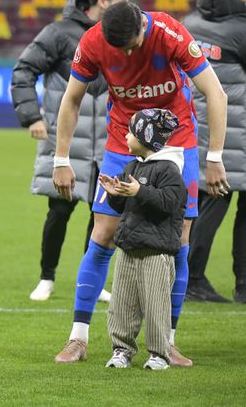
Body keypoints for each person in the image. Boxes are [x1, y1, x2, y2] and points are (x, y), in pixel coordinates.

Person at [52, 0, 229, 366]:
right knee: (103, 233)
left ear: (143, 28)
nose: (129, 53)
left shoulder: (170, 32)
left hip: (176, 142)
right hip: (123, 141)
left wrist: (214, 157)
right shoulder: (93, 42)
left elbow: (216, 93)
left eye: (133, 44)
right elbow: (71, 100)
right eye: (122, 49)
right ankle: (78, 338)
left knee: (179, 236)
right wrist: (61, 159)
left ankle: (167, 341)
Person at [11, 0, 130, 301]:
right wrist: (33, 117)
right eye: (122, 0)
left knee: (102, 214)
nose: (128, 7)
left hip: (110, 144)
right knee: (59, 212)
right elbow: (23, 70)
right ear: (102, 2)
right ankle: (46, 277)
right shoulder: (58, 33)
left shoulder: (122, 34)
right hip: (68, 142)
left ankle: (91, 280)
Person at [101, 109, 186, 370]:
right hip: (128, 248)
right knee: (121, 304)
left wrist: (140, 190)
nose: (126, 136)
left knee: (156, 305)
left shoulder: (170, 169)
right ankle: (121, 350)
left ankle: (159, 354)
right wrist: (116, 194)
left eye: (131, 132)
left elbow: (170, 203)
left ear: (146, 137)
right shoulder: (133, 166)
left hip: (155, 252)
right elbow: (123, 207)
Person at [183, 0, 246, 303]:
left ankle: (191, 276)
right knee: (231, 205)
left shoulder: (190, 22)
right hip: (236, 131)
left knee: (208, 202)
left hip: (198, 126)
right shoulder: (241, 30)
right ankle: (238, 285)